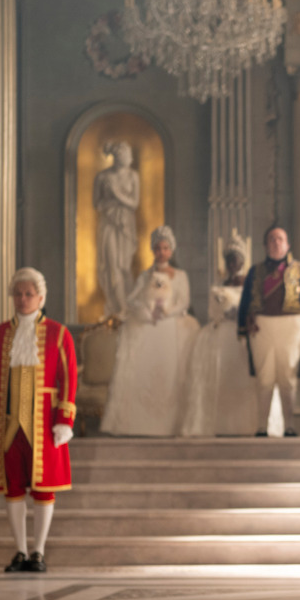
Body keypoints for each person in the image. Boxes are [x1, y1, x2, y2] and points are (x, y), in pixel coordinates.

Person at [0, 267, 77, 573]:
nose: (22, 299)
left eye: (28, 294)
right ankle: (20, 551)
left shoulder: (59, 334)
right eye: (18, 294)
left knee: (44, 488)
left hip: (43, 424)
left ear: (41, 297)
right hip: (8, 425)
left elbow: (69, 378)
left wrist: (64, 419)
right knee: (13, 488)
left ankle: (39, 551)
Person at [180, 234, 283, 437]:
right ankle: (219, 425)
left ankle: (254, 425)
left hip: (244, 337)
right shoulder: (217, 288)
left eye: (236, 259)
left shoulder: (251, 286)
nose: (232, 263)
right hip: (222, 335)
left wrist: (244, 316)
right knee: (218, 377)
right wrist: (224, 315)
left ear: (242, 261)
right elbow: (212, 315)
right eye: (229, 260)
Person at [101, 225, 199, 436]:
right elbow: (132, 299)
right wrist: (147, 312)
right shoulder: (145, 276)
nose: (161, 252)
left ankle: (171, 425)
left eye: (165, 248)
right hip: (148, 327)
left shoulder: (180, 275)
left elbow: (184, 301)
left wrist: (166, 311)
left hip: (171, 328)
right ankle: (143, 424)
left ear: (171, 250)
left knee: (170, 374)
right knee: (145, 373)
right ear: (153, 250)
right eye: (157, 248)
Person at [237, 226, 300, 437]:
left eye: (280, 239)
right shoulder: (255, 272)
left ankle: (289, 426)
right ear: (265, 245)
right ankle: (262, 427)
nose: (276, 243)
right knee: (264, 378)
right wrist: (241, 328)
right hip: (261, 327)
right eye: (272, 239)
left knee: (287, 377)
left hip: (292, 327)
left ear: (288, 244)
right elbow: (245, 301)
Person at [93, 140, 140, 318]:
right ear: (116, 157)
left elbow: (134, 203)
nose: (127, 158)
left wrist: (116, 194)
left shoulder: (133, 176)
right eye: (123, 155)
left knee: (125, 267)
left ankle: (127, 306)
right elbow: (96, 204)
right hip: (108, 223)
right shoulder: (102, 177)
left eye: (128, 155)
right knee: (111, 265)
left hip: (126, 225)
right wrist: (111, 204)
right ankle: (117, 307)